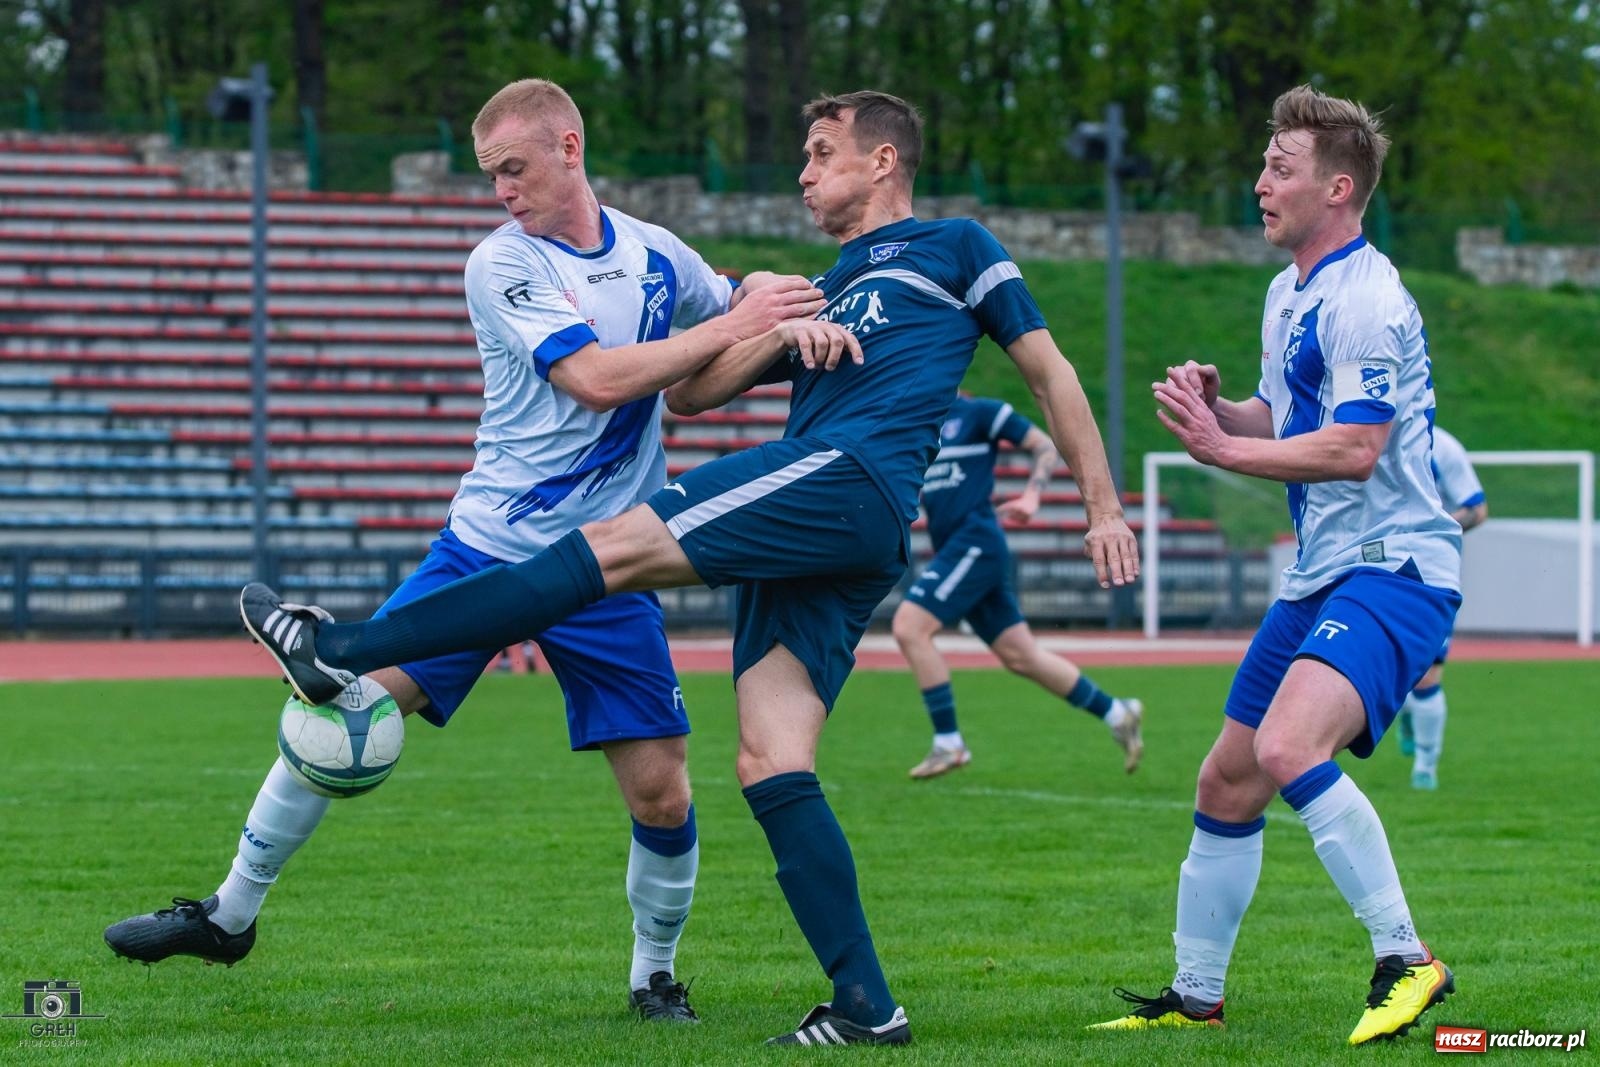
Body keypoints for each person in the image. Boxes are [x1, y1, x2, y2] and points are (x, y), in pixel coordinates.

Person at [236, 89, 1140, 1046]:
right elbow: (701, 395)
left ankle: (346, 646)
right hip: (824, 530)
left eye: (822, 151)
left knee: (611, 544)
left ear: (882, 163)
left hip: (848, 480)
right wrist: (775, 330)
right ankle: (869, 1007)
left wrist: (1103, 505)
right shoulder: (822, 283)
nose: (802, 171)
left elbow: (1050, 371)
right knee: (769, 759)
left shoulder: (958, 247)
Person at [103, 77, 830, 1024]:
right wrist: (738, 320)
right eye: (490, 175)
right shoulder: (501, 264)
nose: (500, 190)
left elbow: (704, 368)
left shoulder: (657, 254)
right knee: (341, 713)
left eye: (513, 168)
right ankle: (228, 914)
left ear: (569, 147)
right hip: (489, 551)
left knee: (662, 789)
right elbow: (598, 380)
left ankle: (654, 976)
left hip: (611, 564)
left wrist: (784, 324)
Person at [1088, 85, 1460, 1046]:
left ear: (1338, 187)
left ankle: (1407, 960)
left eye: (1279, 169)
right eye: (1263, 166)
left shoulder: (1370, 298)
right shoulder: (1290, 289)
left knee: (1290, 746)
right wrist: (1226, 413)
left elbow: (1352, 448)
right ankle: (1196, 998)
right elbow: (1291, 421)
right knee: (1228, 780)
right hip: (1324, 569)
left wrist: (1222, 452)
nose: (1260, 185)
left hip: (1397, 565)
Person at [893, 392, 1144, 778]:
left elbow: (1043, 445)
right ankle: (1116, 712)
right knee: (1021, 656)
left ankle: (949, 742)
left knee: (910, 627)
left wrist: (1032, 494)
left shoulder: (979, 413)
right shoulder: (920, 421)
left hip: (975, 543)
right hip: (960, 551)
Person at [1395, 425, 1486, 789]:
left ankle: (1425, 768)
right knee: (1391, 672)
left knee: (1428, 674)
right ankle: (1404, 708)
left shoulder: (1442, 445)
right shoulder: (1356, 432)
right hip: (1363, 569)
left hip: (1430, 574)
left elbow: (1477, 509)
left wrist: (1438, 528)